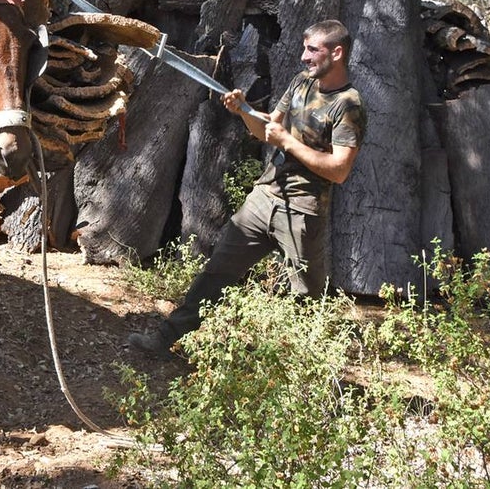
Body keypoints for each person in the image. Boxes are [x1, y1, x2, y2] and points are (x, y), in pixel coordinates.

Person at [128, 19, 366, 357]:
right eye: (304, 48)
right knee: (216, 273)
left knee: (306, 298)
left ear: (337, 53)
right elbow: (266, 128)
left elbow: (340, 170)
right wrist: (244, 111)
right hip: (263, 199)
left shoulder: (348, 104)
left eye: (312, 50)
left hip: (302, 211)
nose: (303, 57)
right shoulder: (302, 83)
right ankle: (164, 340)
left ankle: (318, 372)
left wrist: (287, 142)